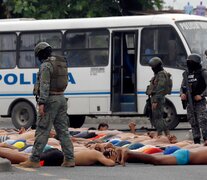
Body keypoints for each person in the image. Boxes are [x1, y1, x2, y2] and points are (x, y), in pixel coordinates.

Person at [19, 42, 75, 168]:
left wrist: (42, 102)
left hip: (50, 100)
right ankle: (70, 159)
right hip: (61, 98)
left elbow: (44, 85)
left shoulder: (46, 66)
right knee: (63, 131)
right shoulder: (59, 63)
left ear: (40, 54)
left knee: (42, 130)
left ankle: (34, 160)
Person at [180, 53, 207, 145]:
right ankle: (196, 143)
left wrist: (202, 95)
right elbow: (182, 87)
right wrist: (182, 94)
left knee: (203, 121)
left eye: (191, 62)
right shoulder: (186, 74)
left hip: (200, 102)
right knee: (193, 122)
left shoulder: (203, 72)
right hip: (190, 102)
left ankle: (206, 140)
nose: (189, 64)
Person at [146, 57, 171, 137]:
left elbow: (160, 88)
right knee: (158, 117)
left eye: (153, 67)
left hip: (158, 98)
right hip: (156, 98)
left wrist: (155, 101)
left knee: (158, 118)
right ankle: (167, 134)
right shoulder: (159, 74)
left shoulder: (161, 75)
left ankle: (160, 134)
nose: (152, 69)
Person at [120, 146, 207, 166]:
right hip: (185, 157)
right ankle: (129, 153)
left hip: (185, 153)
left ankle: (128, 157)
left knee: (155, 158)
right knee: (157, 161)